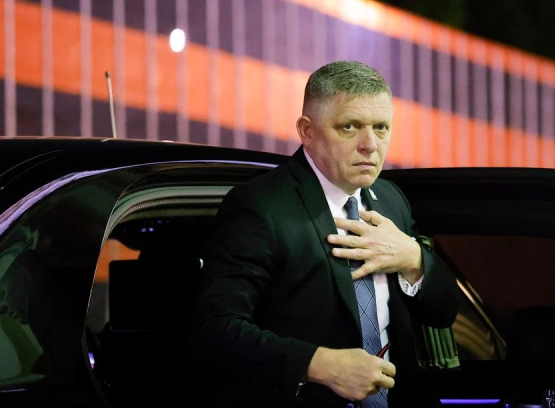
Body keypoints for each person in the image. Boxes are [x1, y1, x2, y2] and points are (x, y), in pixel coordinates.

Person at [191, 60, 459, 407]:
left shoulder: (391, 199)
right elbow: (216, 329)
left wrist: (412, 258)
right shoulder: (260, 205)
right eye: (349, 127)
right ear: (307, 131)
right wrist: (320, 365)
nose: (370, 145)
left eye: (381, 127)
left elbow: (443, 313)